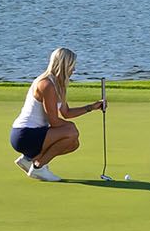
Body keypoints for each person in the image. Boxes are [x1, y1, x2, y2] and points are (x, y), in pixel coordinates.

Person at [10, 47, 104, 181]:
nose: (74, 70)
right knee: (71, 132)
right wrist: (70, 127)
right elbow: (54, 121)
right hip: (24, 134)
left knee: (73, 143)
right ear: (64, 65)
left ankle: (29, 160)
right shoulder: (46, 84)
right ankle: (38, 168)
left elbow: (66, 113)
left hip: (35, 133)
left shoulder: (58, 85)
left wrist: (92, 107)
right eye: (72, 66)